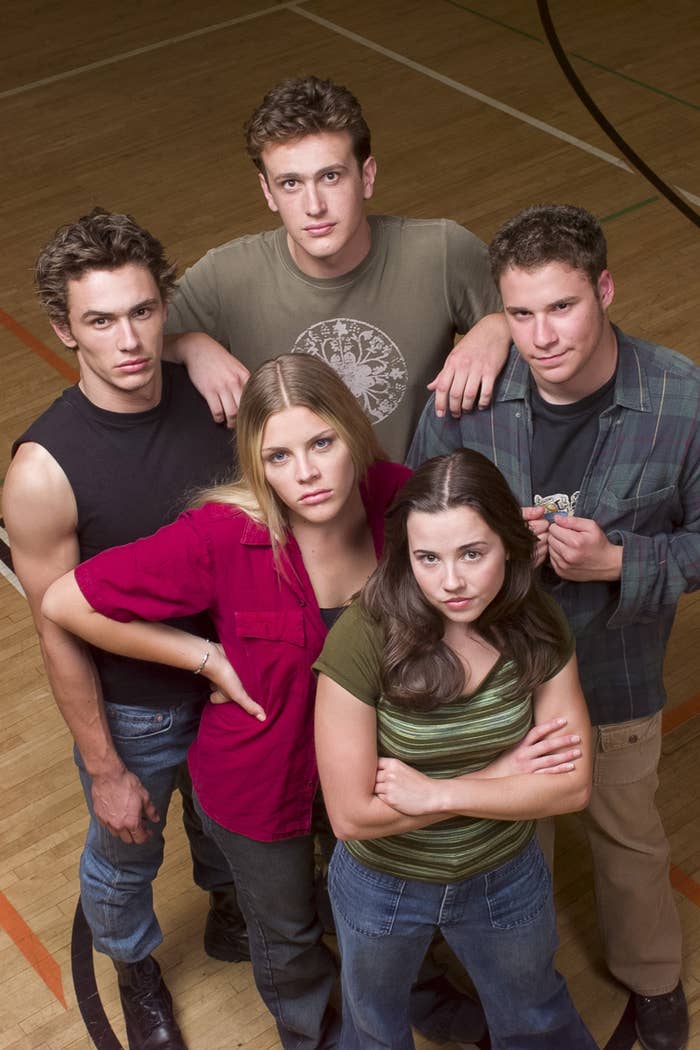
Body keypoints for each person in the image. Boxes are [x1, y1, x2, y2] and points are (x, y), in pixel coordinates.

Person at [41, 354, 502, 1050]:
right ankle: (312, 1035)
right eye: (278, 456)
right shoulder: (222, 535)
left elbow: (480, 566)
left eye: (321, 443)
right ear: (257, 465)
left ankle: (423, 999)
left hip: (377, 766)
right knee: (287, 936)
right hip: (259, 783)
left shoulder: (403, 500)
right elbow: (66, 599)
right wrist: (204, 657)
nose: (307, 473)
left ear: (353, 431)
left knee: (396, 911)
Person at [407, 203, 699, 1050]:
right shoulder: (467, 394)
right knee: (504, 851)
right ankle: (511, 990)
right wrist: (490, 548)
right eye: (520, 314)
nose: (541, 336)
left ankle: (656, 983)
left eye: (562, 307)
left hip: (617, 677)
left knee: (629, 841)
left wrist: (619, 563)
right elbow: (415, 518)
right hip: (490, 681)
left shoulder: (681, 399)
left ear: (604, 290)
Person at [2, 209, 248, 1050]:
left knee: (225, 823)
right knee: (124, 856)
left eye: (144, 312)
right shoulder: (42, 472)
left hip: (234, 679)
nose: (130, 339)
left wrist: (200, 342)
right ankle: (135, 965)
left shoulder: (211, 395)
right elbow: (58, 630)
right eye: (101, 321)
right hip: (136, 705)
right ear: (65, 330)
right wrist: (104, 765)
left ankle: (227, 913)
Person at [313, 449, 596, 1049]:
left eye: (473, 552)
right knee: (374, 1030)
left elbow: (571, 785)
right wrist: (504, 775)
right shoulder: (363, 636)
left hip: (504, 872)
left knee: (537, 1018)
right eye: (427, 558)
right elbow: (351, 816)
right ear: (404, 556)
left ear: (509, 544)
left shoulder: (536, 621)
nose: (451, 581)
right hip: (383, 884)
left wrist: (438, 791)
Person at [160, 74, 511, 459]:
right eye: (291, 184)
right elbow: (125, 353)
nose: (314, 206)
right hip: (290, 516)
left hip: (417, 510)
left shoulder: (441, 252)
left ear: (367, 176)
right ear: (267, 192)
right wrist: (188, 345)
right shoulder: (225, 277)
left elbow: (562, 322)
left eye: (330, 176)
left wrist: (501, 324)